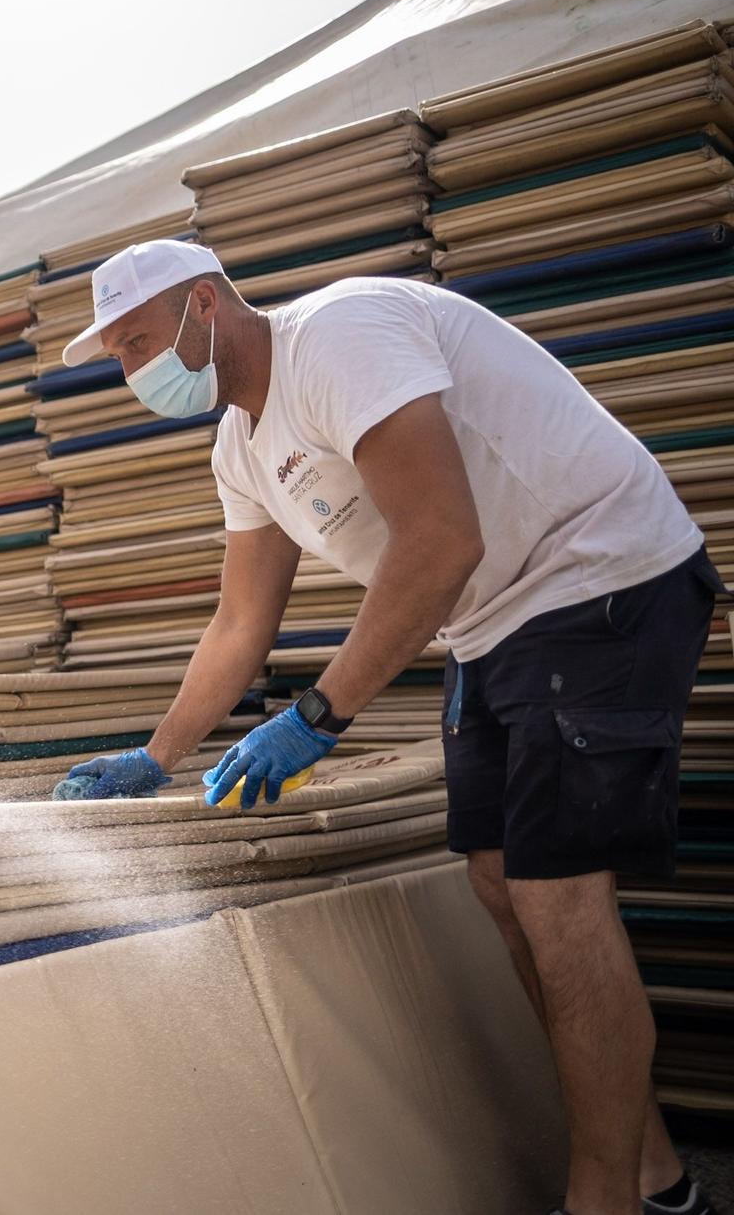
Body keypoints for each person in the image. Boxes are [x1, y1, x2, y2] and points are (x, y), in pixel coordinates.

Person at [50, 241, 719, 1215]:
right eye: (116, 355)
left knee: (555, 900)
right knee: (501, 887)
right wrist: (151, 757)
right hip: (494, 622)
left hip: (596, 574)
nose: (131, 373)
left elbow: (441, 536)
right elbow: (240, 621)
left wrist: (317, 714)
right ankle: (658, 1179)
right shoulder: (237, 446)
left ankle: (599, 1196)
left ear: (204, 302)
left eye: (138, 341)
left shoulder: (336, 336)